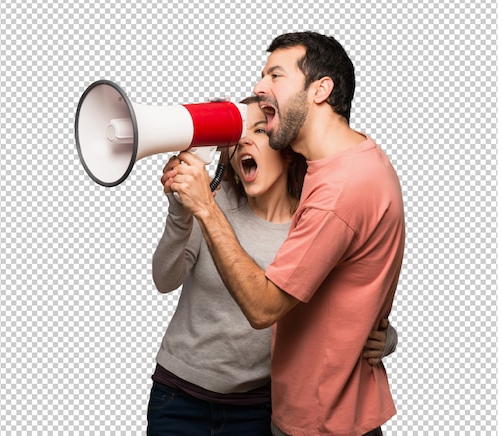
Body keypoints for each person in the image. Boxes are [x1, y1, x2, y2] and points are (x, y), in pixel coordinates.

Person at [165, 32, 405, 436]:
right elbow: (348, 281)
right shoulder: (344, 163)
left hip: (323, 423)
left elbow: (263, 309)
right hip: (298, 412)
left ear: (320, 90)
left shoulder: (340, 189)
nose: (259, 87)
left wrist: (205, 207)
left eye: (276, 75)